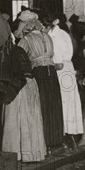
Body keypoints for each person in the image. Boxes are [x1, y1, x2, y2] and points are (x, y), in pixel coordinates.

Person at [18, 19, 64, 150]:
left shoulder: (27, 39)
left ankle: (43, 141)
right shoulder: (47, 36)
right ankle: (55, 140)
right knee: (54, 105)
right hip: (51, 71)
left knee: (41, 104)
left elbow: (19, 55)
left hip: (38, 71)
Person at [43, 15, 84, 148]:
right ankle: (70, 136)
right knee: (69, 104)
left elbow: (58, 64)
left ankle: (65, 137)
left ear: (47, 26)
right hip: (68, 70)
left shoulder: (55, 38)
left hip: (61, 72)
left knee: (63, 103)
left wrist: (42, 65)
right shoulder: (63, 33)